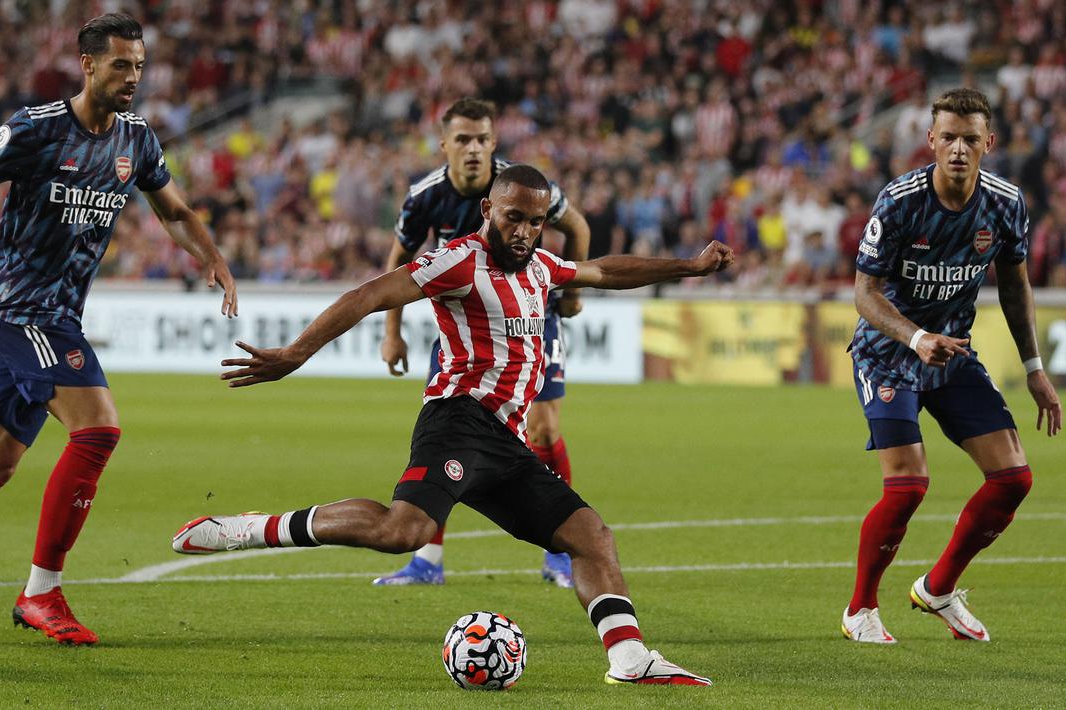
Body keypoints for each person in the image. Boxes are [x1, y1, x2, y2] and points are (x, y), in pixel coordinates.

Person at [173, 164, 733, 686]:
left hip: (507, 442)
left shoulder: (541, 267)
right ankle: (249, 529)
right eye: (513, 217)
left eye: (536, 222)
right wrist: (296, 354)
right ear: (489, 208)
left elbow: (605, 269)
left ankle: (629, 659)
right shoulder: (458, 261)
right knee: (403, 533)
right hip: (458, 420)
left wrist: (689, 266)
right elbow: (369, 294)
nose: (524, 231)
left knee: (591, 537)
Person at [0, 13, 238, 646]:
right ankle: (42, 593)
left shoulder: (136, 140)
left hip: (59, 317)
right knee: (98, 429)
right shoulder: (36, 129)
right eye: (121, 65)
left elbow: (174, 210)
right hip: (19, 310)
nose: (132, 78)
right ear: (87, 64)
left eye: (139, 66)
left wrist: (213, 257)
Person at [841, 88, 1062, 644]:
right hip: (889, 353)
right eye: (948, 138)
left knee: (1013, 478)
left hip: (953, 353)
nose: (958, 149)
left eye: (970, 138)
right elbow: (864, 294)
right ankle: (860, 610)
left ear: (988, 143)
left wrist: (1034, 367)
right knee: (909, 486)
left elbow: (1014, 286)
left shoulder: (1006, 204)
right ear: (931, 141)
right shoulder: (900, 202)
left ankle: (937, 588)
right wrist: (914, 337)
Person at [376, 98, 592, 588]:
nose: (473, 149)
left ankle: (557, 554)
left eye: (482, 139)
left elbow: (577, 226)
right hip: (466, 329)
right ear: (445, 145)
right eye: (463, 140)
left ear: (493, 143)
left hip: (532, 316)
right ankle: (427, 560)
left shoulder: (522, 185)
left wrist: (572, 294)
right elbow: (398, 262)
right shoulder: (425, 196)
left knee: (543, 428)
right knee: (449, 433)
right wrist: (392, 333)